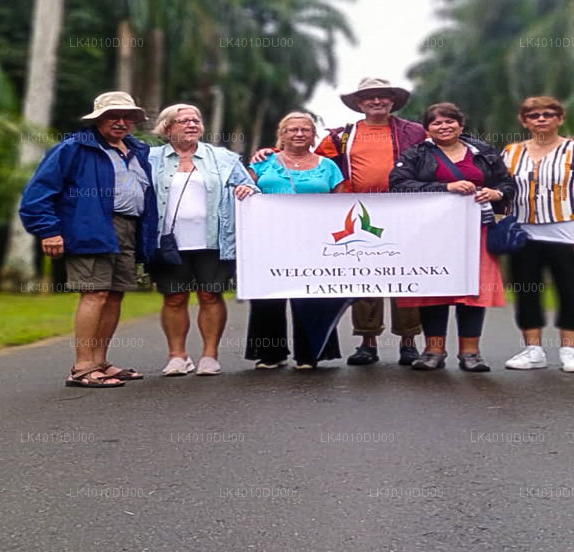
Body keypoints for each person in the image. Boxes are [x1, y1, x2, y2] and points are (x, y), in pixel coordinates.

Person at [253, 77, 427, 366]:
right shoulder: (341, 137)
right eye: (369, 97)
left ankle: (408, 343)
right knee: (363, 278)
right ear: (359, 103)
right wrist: (271, 152)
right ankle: (367, 342)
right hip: (359, 209)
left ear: (393, 101)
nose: (376, 101)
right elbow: (311, 163)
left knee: (404, 277)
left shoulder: (414, 132)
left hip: (403, 209)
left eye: (382, 96)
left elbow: (435, 157)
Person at [19, 91, 158, 388]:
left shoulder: (137, 150)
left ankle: (100, 362)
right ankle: (82, 366)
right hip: (89, 225)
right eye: (112, 116)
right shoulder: (73, 148)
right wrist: (48, 230)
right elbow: (38, 193)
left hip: (128, 228)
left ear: (133, 121)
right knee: (94, 292)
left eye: (126, 117)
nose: (120, 122)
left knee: (115, 293)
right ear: (97, 120)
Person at [389, 102, 514, 372]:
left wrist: (496, 194)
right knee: (435, 289)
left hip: (476, 232)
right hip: (430, 234)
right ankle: (434, 350)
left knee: (471, 290)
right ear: (427, 129)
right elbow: (398, 184)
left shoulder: (484, 152)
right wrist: (445, 186)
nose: (444, 126)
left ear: (461, 124)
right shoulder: (415, 154)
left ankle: (471, 353)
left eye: (450, 121)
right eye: (437, 123)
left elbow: (507, 183)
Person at [148, 104, 259, 377]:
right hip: (168, 241)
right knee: (174, 297)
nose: (191, 124)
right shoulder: (150, 158)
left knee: (210, 294)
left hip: (213, 240)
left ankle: (210, 355)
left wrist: (247, 188)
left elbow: (251, 187)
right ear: (167, 127)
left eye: (196, 120)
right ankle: (177, 356)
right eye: (183, 120)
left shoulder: (222, 158)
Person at [501, 96, 574, 373]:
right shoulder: (510, 153)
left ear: (560, 118)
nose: (541, 119)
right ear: (524, 121)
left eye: (548, 114)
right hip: (523, 233)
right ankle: (533, 350)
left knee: (570, 291)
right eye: (534, 115)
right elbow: (501, 190)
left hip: (567, 231)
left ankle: (570, 351)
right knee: (526, 291)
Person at [244, 111, 348, 370]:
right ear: (282, 135)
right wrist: (243, 190)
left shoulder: (328, 166)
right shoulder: (262, 163)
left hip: (316, 242)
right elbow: (244, 190)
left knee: (312, 295)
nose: (299, 134)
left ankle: (309, 354)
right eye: (292, 130)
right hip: (268, 238)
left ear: (313, 136)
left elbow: (342, 203)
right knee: (268, 295)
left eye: (305, 130)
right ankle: (271, 354)